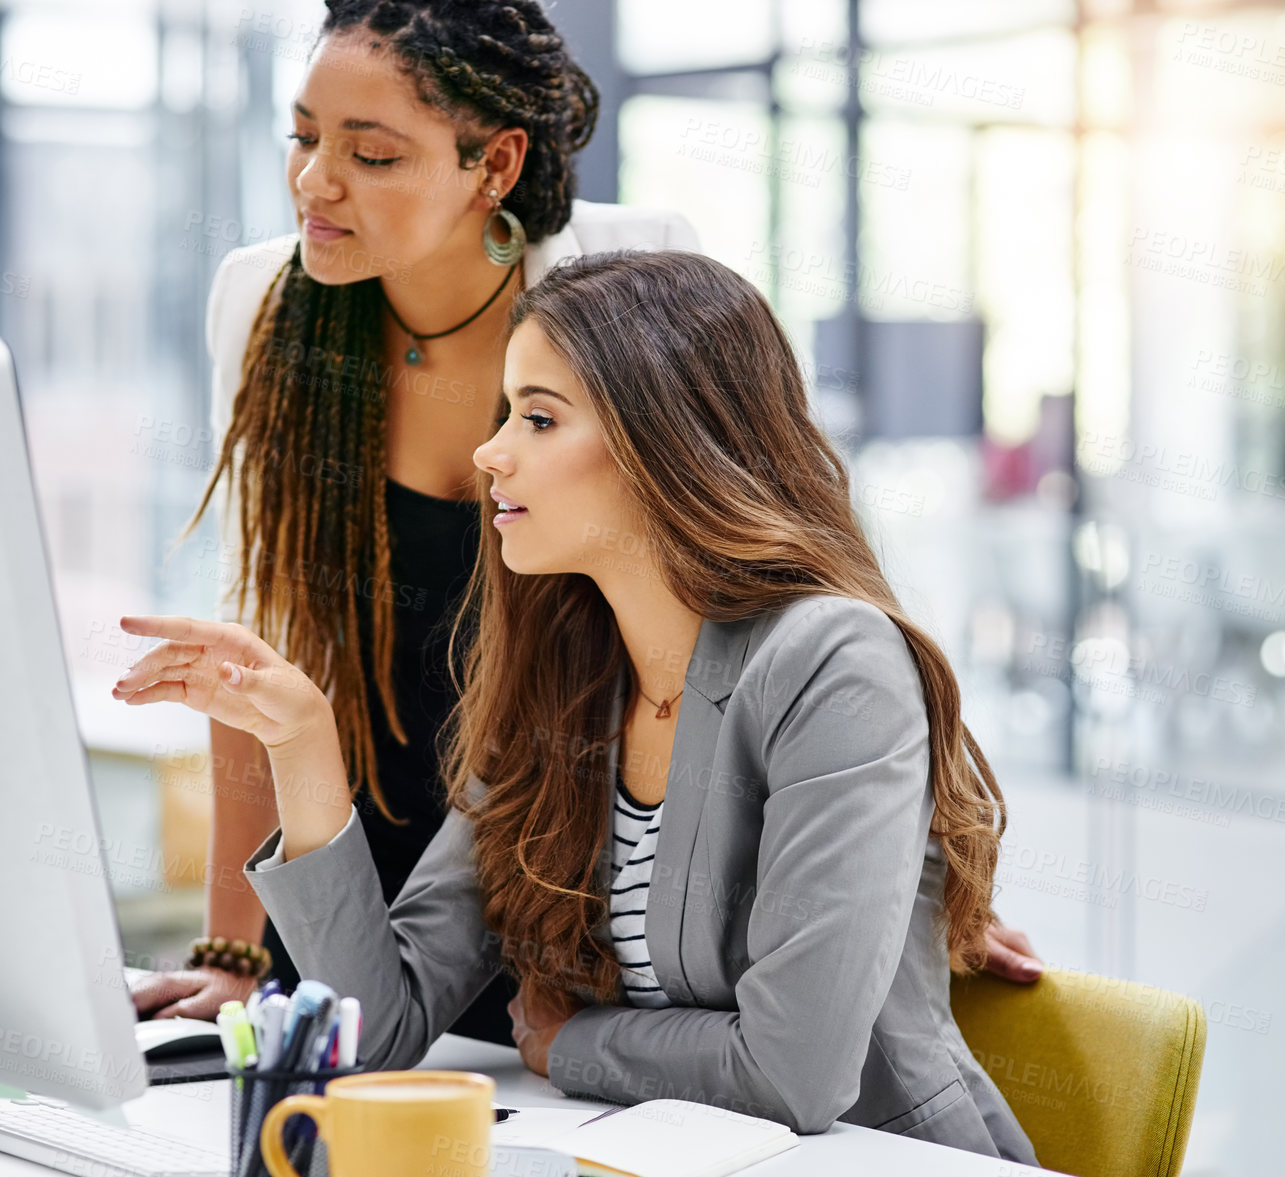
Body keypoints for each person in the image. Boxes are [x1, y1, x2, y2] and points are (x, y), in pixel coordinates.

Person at [114, 248, 1039, 1160]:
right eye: (505, 412)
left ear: (667, 442)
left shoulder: (833, 663)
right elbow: (378, 1031)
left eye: (540, 418)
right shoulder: (563, 679)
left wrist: (571, 1043)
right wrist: (303, 745)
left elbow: (795, 1073)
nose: (490, 450)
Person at [125, 0, 700, 1045]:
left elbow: (782, 593)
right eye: (303, 136)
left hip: (554, 896)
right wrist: (233, 952)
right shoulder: (263, 299)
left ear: (495, 163)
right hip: (336, 882)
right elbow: (263, 653)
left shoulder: (628, 282)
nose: (314, 181)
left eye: (372, 155)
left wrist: (910, 859)